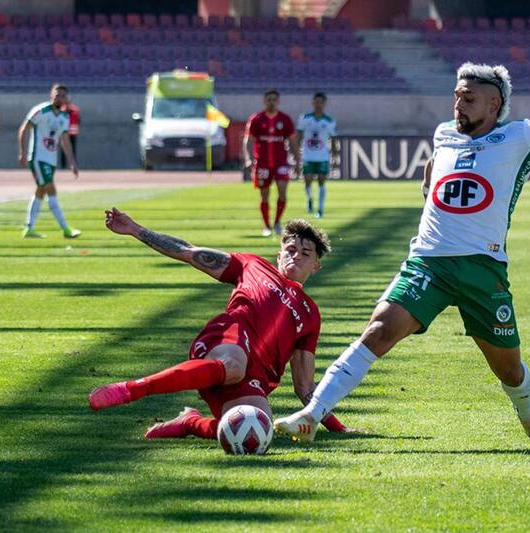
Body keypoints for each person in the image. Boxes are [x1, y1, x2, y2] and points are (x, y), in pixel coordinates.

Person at [274, 62, 530, 442]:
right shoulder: (444, 132)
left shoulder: (521, 136)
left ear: (493, 104)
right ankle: (311, 414)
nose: (458, 104)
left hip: (483, 269)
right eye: (456, 96)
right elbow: (436, 162)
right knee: (378, 331)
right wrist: (428, 180)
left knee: (508, 369)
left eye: (468, 98)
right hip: (428, 262)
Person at [88, 208, 350, 441]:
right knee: (234, 366)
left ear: (315, 266)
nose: (296, 257)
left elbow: (304, 387)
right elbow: (188, 252)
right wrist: (135, 229)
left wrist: (338, 428)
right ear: (278, 255)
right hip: (228, 339)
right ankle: (132, 389)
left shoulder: (310, 314)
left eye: (305, 253)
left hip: (254, 377)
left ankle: (190, 422)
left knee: (257, 430)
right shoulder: (253, 265)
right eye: (290, 250)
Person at [18, 84, 80, 239]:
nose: (59, 98)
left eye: (62, 95)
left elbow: (65, 140)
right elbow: (24, 129)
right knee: (51, 189)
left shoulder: (64, 117)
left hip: (51, 160)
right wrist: (23, 152)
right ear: (51, 95)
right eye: (56, 94)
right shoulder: (41, 110)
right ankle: (66, 229)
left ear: (67, 99)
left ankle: (29, 229)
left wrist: (72, 162)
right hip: (38, 158)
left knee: (40, 191)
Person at [243, 89, 301, 237]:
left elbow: (293, 141)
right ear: (264, 101)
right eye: (269, 99)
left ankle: (277, 222)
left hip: (281, 162)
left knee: (282, 192)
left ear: (278, 101)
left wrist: (297, 159)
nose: (271, 102)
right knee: (264, 195)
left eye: (274, 99)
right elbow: (249, 140)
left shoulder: (285, 119)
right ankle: (267, 226)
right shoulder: (256, 119)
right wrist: (248, 158)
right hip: (262, 162)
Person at [296, 92, 337, 218]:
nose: (318, 104)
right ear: (313, 102)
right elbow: (298, 136)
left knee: (321, 182)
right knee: (307, 180)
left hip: (322, 156)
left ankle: (320, 209)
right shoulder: (304, 118)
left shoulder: (329, 121)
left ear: (324, 103)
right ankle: (309, 199)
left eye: (321, 102)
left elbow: (333, 139)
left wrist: (334, 155)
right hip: (308, 155)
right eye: (316, 101)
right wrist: (296, 152)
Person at [59, 97, 80, 169]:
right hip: (64, 133)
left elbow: (78, 120)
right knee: (63, 150)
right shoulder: (61, 110)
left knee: (73, 150)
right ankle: (63, 166)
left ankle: (73, 165)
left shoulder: (75, 109)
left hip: (73, 134)